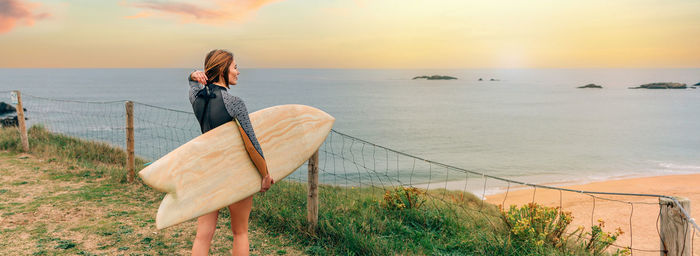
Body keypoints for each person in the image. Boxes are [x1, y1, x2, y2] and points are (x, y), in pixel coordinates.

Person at [187, 49, 274, 256]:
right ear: (223, 70)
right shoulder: (234, 103)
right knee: (240, 232)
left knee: (203, 235)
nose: (238, 72)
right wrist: (265, 174)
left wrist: (192, 75)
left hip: (207, 173)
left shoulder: (196, 98)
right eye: (235, 67)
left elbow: (191, 83)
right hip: (234, 174)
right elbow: (251, 145)